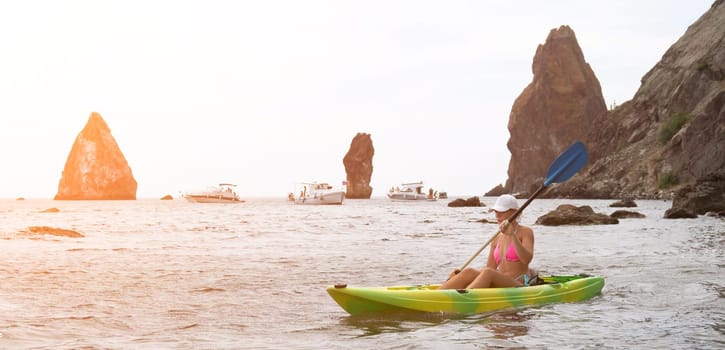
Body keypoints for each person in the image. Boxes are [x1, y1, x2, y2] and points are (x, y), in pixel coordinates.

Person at [439, 194, 535, 289]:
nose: (497, 215)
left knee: (488, 273)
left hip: (519, 283)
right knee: (469, 271)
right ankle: (439, 293)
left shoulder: (525, 232)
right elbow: (490, 267)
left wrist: (512, 235)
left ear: (515, 212)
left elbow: (526, 260)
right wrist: (459, 276)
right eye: (495, 211)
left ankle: (464, 296)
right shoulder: (496, 238)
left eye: (502, 211)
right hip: (499, 281)